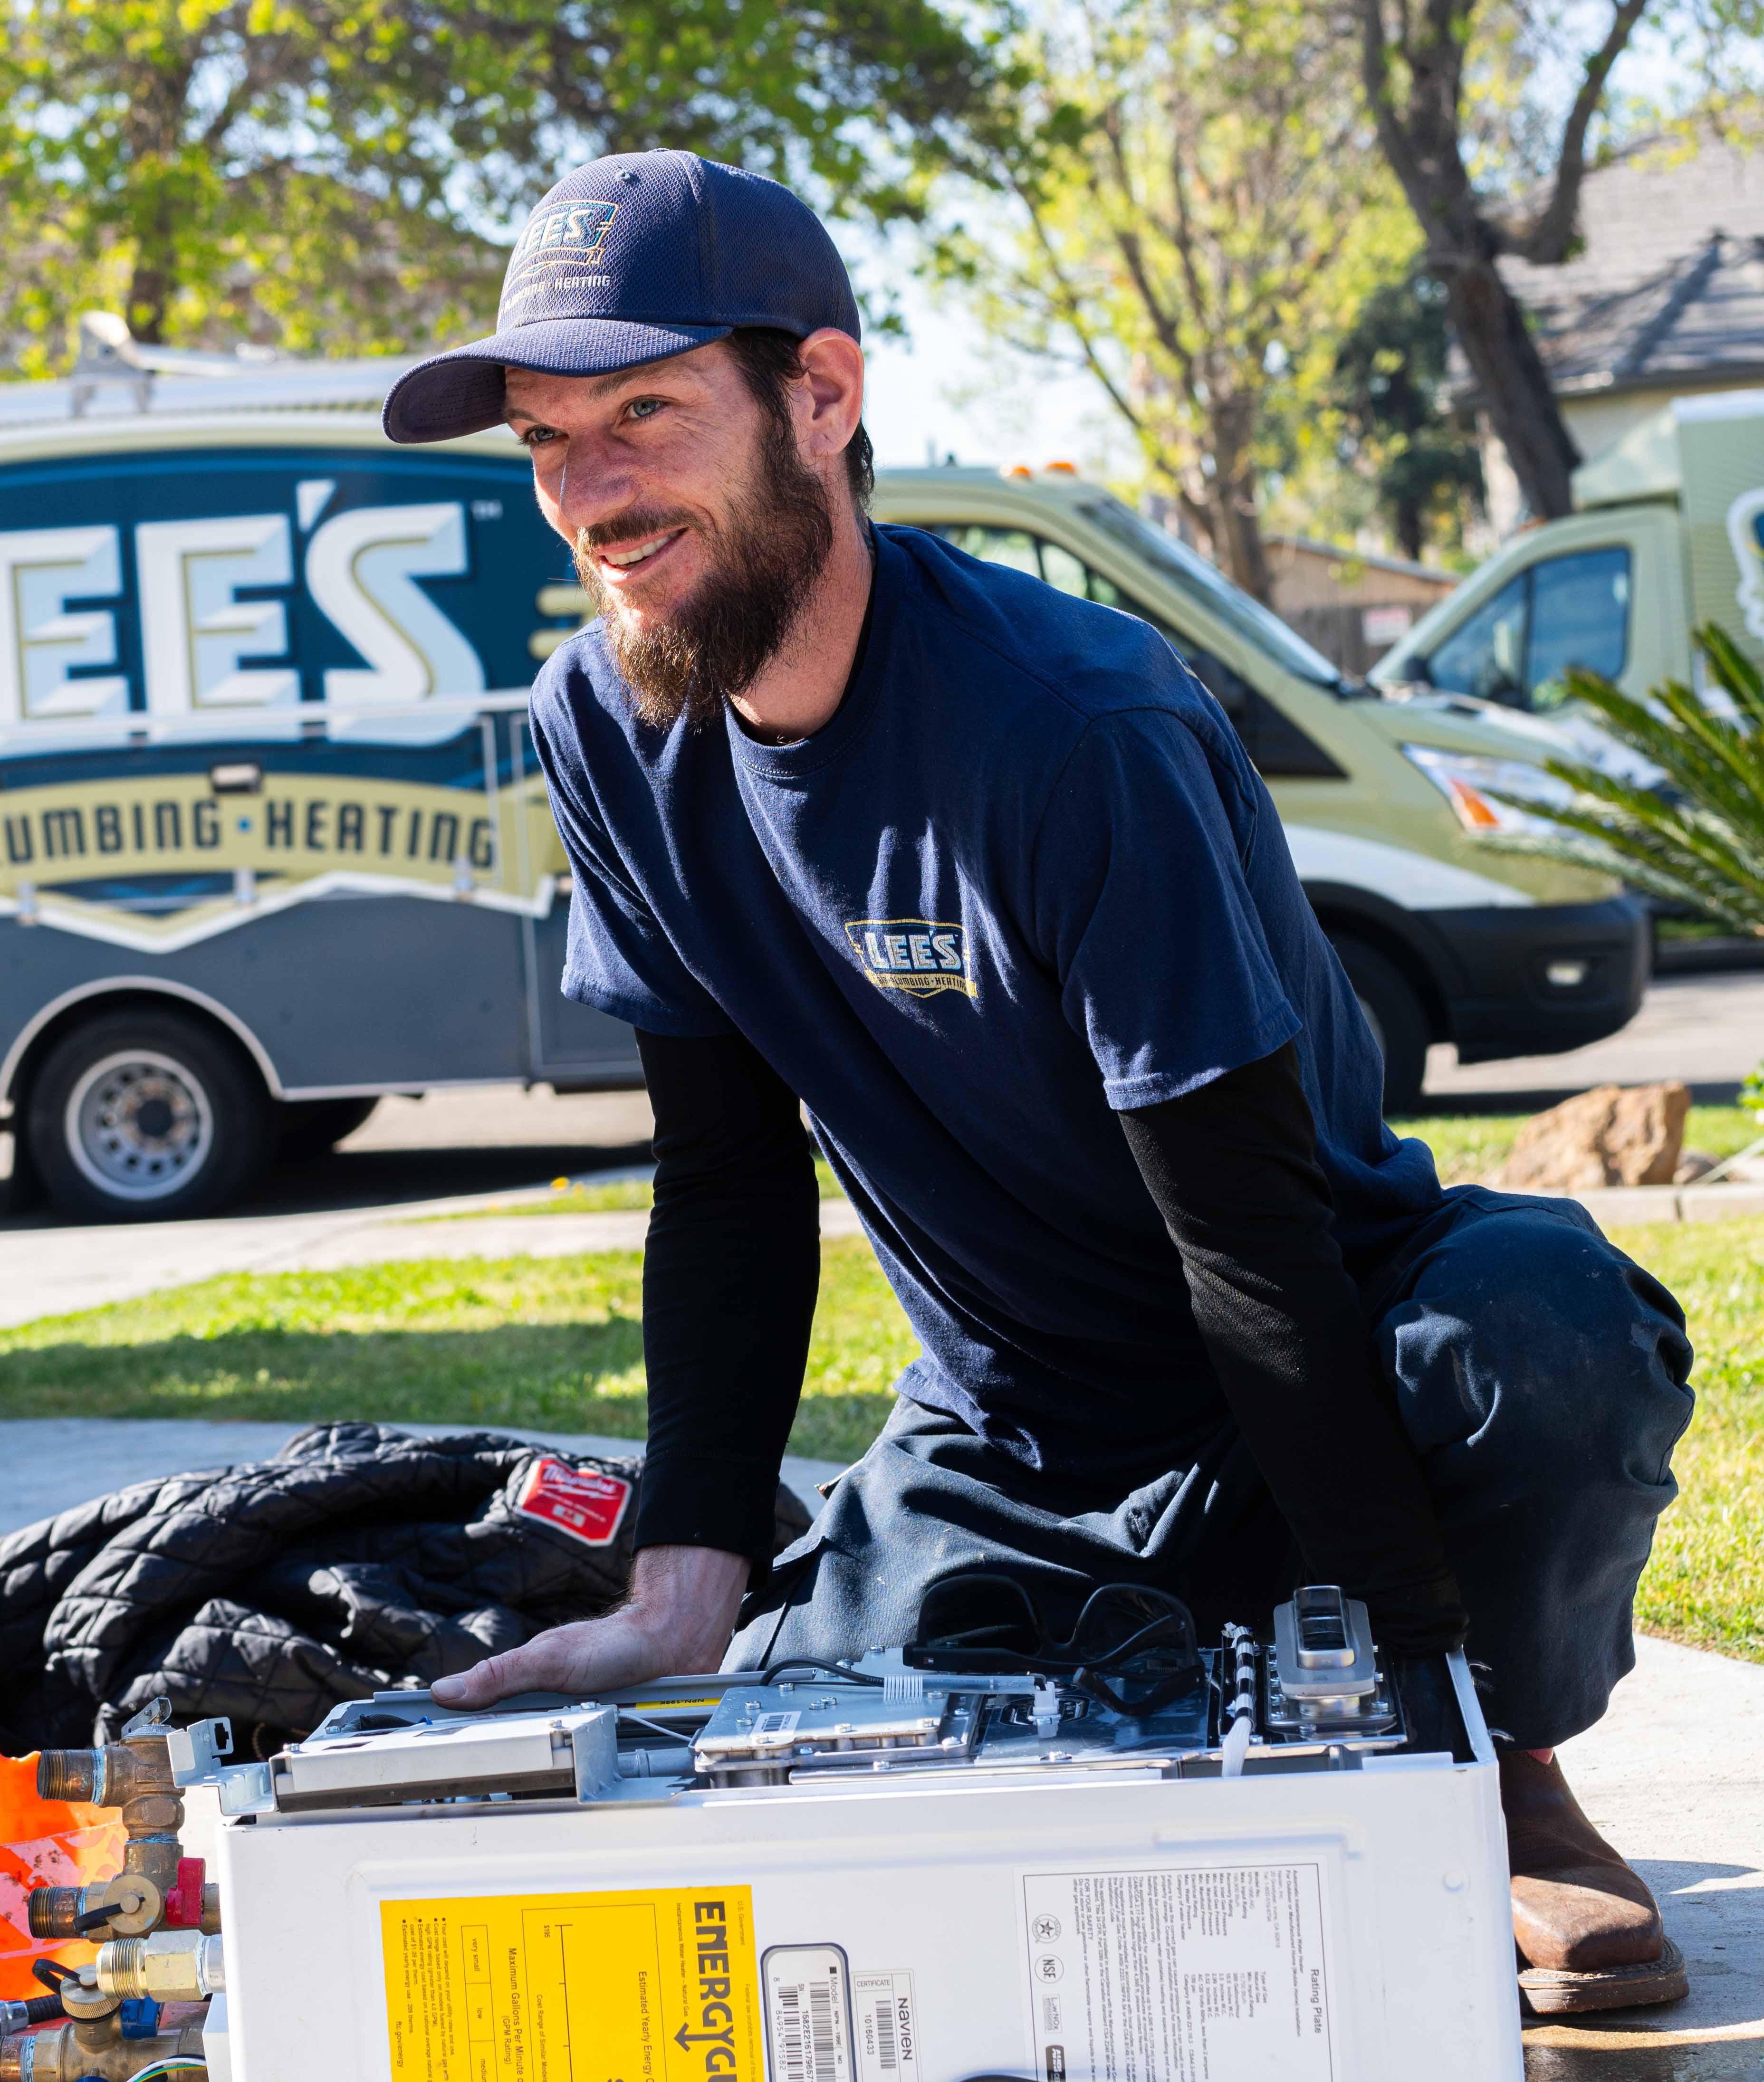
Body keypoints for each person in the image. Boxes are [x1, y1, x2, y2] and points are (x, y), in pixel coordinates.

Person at [381, 149, 1696, 2018]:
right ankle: (1200, 1671)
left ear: (819, 398)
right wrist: (685, 1570)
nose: (589, 493)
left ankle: (1507, 1773)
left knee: (1546, 1331)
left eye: (646, 415)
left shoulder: (1072, 726)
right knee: (829, 1833)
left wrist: (1417, 1717)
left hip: (1332, 1349)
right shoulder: (603, 728)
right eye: (545, 440)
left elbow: (1246, 1242)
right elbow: (728, 1179)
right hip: (1010, 1437)